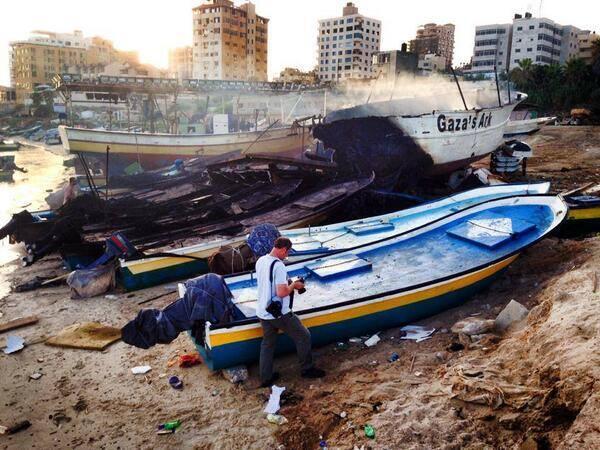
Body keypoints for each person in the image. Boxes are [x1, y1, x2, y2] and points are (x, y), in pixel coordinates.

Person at [256, 237, 325, 387]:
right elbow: (281, 292)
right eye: (286, 253)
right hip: (279, 313)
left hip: (262, 311)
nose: (286, 256)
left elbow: (268, 283)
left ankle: (265, 377)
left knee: (268, 343)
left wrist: (289, 283)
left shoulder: (261, 260)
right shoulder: (279, 265)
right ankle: (307, 369)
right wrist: (294, 285)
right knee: (303, 336)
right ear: (283, 249)